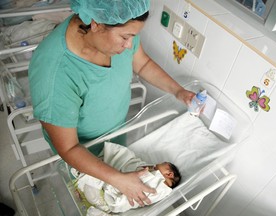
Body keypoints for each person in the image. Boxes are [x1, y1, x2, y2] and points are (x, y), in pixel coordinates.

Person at [28, 0, 194, 207]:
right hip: (82, 155)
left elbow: (142, 62)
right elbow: (69, 148)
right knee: (97, 200)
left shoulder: (119, 21)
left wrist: (178, 91)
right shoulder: (55, 74)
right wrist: (118, 179)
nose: (128, 46)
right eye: (125, 37)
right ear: (96, 23)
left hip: (114, 136)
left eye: (133, 37)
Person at [74, 142, 181, 214]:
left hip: (109, 196)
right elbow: (133, 166)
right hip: (108, 192)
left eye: (163, 163)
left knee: (91, 185)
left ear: (169, 174)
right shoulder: (154, 173)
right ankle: (83, 193)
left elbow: (145, 182)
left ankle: (83, 189)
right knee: (91, 187)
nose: (157, 164)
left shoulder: (162, 188)